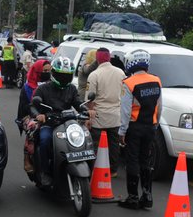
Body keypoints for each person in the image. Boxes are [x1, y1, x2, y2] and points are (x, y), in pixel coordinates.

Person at [118, 49, 162, 210]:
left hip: (134, 127)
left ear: (130, 63)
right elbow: (159, 106)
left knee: (132, 161)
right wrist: (155, 125)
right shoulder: (157, 80)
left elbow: (125, 111)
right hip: (150, 126)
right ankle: (147, 196)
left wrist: (122, 132)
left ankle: (133, 197)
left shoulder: (128, 83)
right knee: (146, 160)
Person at [29, 57, 84, 185]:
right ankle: (45, 172)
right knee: (44, 140)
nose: (64, 78)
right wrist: (38, 115)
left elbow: (78, 103)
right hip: (49, 123)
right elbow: (32, 105)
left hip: (67, 124)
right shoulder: (43, 88)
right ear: (53, 73)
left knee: (82, 139)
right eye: (60, 75)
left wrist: (86, 110)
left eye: (67, 76)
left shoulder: (71, 88)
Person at [86, 47, 126, 178]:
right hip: (115, 115)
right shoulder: (120, 73)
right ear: (109, 58)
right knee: (114, 144)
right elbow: (124, 94)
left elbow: (89, 99)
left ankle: (95, 169)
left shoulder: (94, 75)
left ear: (97, 59)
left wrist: (89, 116)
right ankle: (113, 170)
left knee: (96, 145)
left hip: (99, 115)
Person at [16, 60, 51, 173]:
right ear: (37, 71)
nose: (47, 73)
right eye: (45, 71)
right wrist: (36, 115)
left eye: (49, 71)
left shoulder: (50, 85)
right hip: (28, 116)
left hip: (48, 115)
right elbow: (25, 108)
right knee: (33, 127)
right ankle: (27, 159)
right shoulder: (27, 88)